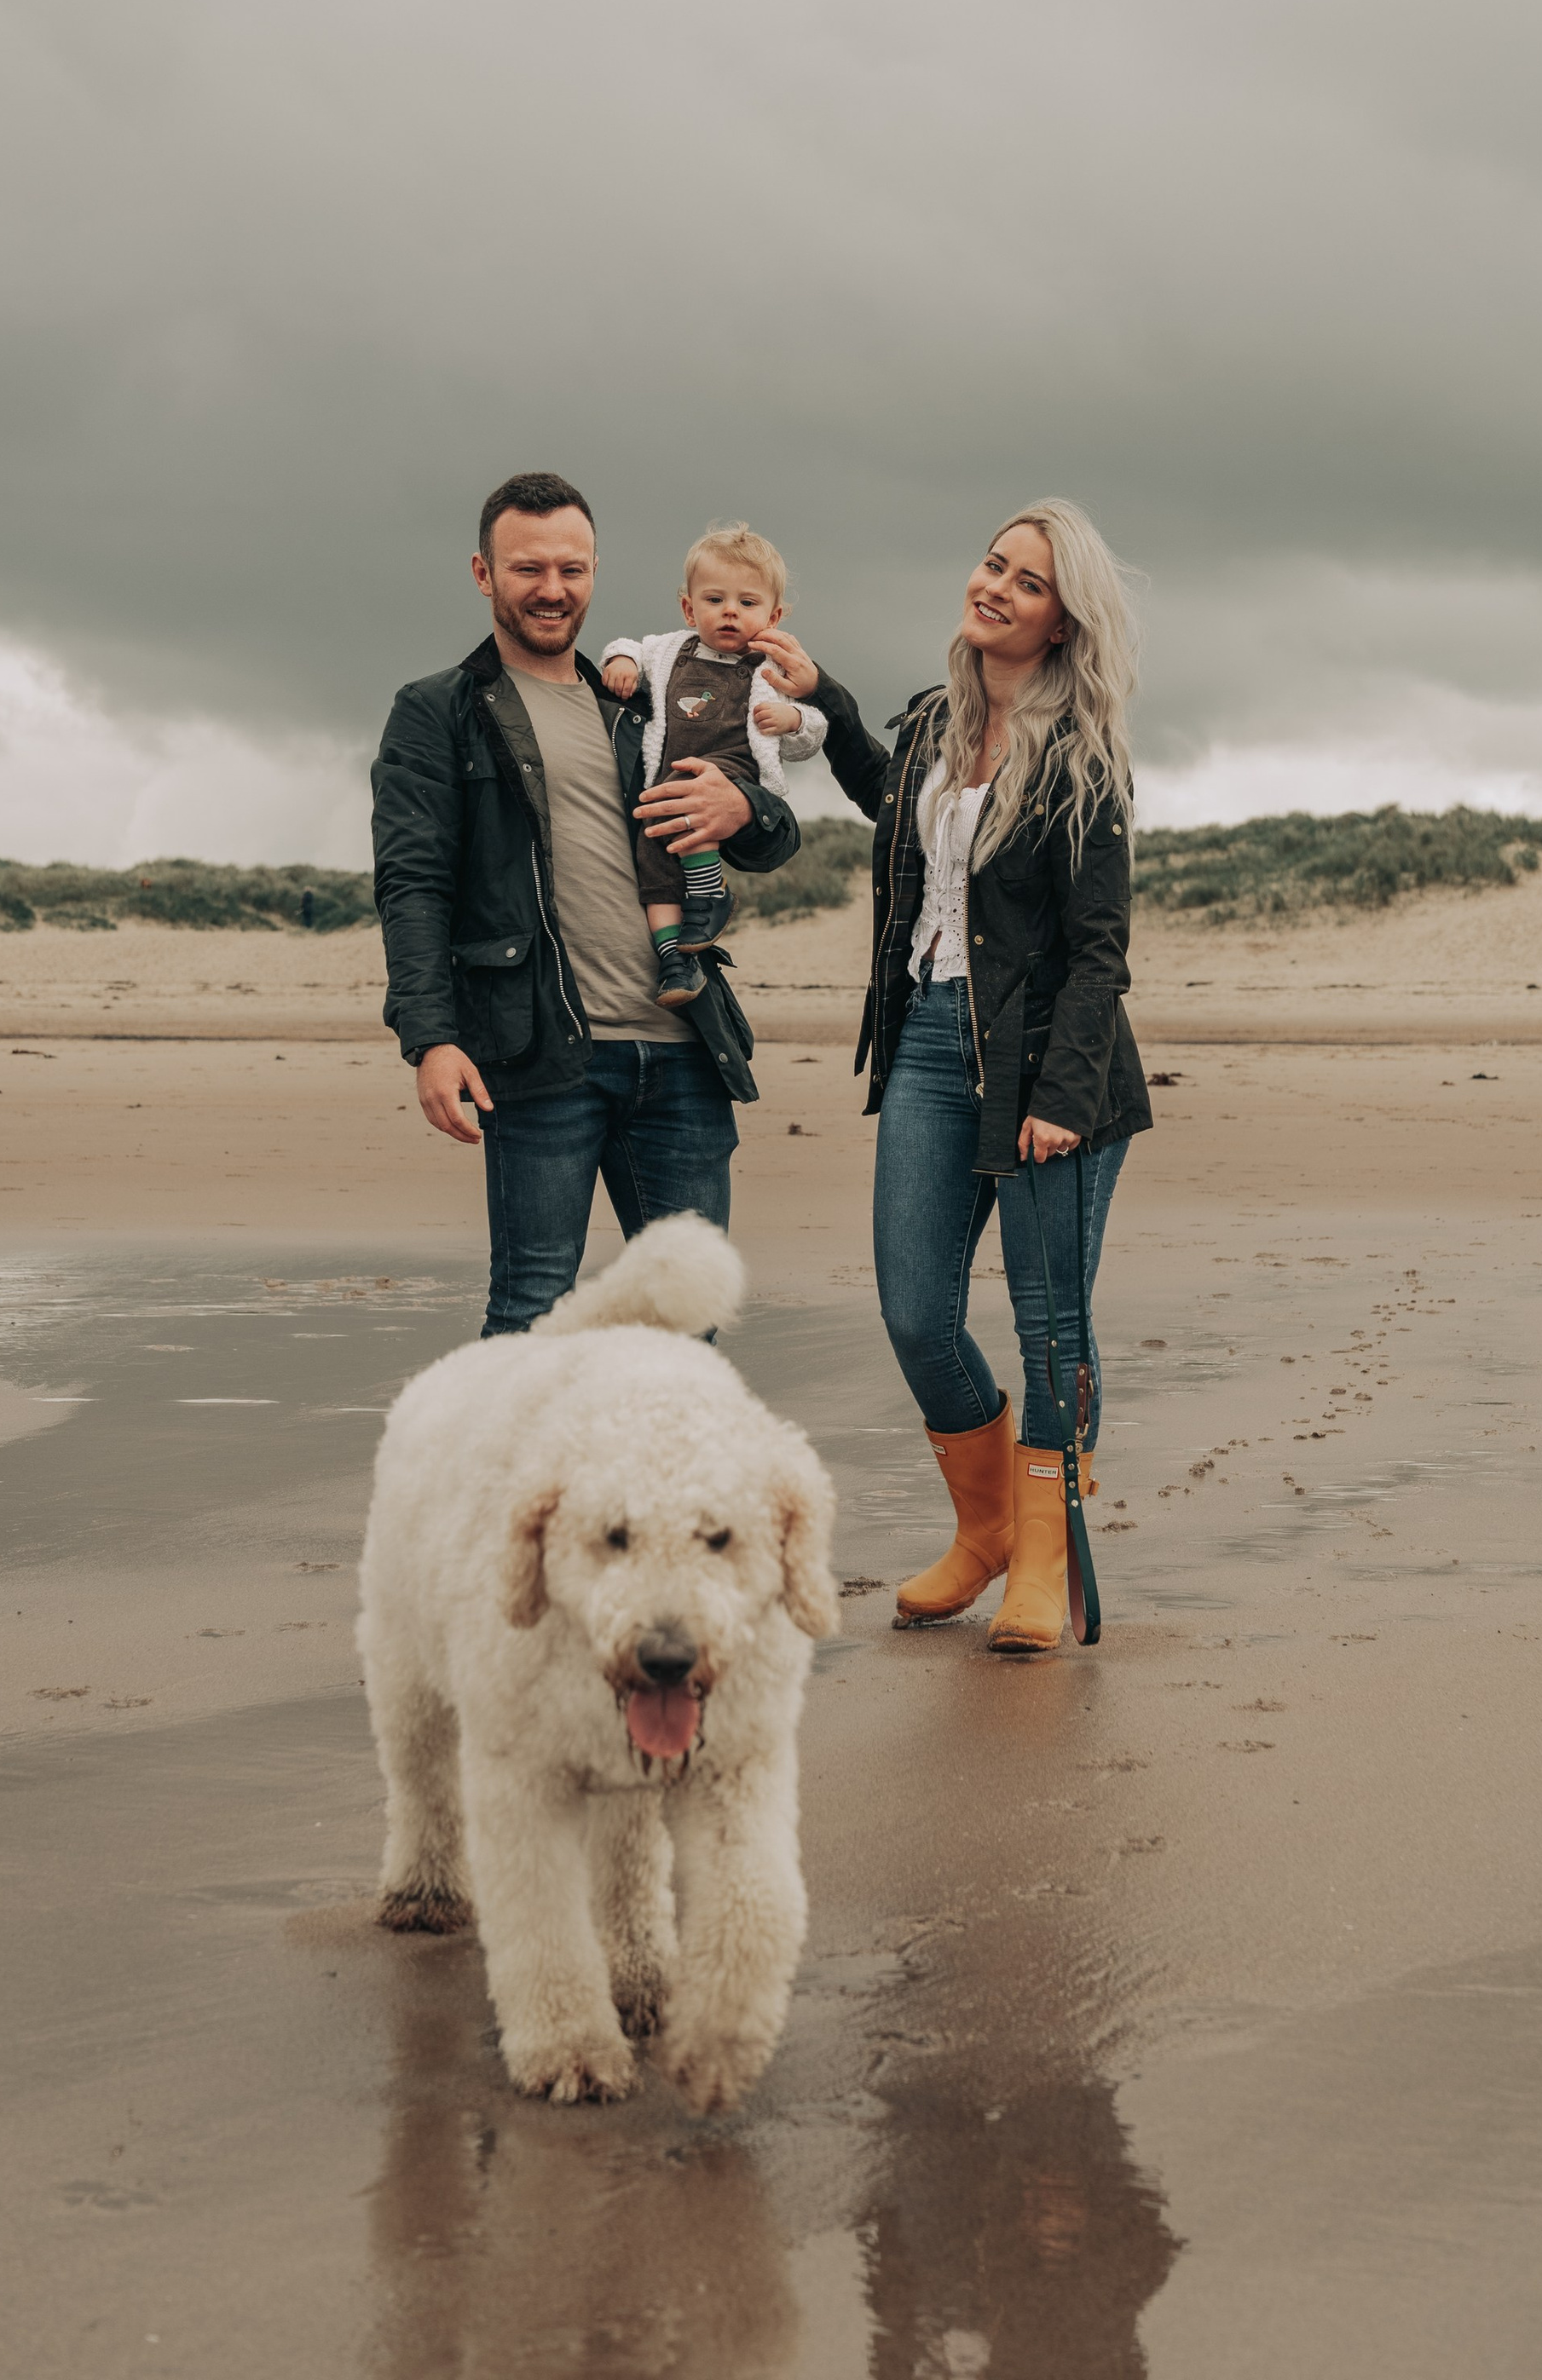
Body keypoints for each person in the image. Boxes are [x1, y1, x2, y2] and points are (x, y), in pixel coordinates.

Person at [762, 500, 1150, 1654]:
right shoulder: (938, 719)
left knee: (1048, 1332)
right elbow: (891, 806)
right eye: (993, 565)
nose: (995, 588)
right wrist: (827, 700)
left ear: (1063, 620)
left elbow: (1100, 952)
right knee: (917, 1313)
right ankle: (983, 1532)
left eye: (1025, 583)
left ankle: (1042, 1562)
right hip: (929, 1045)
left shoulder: (1083, 757)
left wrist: (1063, 1102)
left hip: (1046, 1069)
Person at [371, 473, 809, 1336]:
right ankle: (510, 1481)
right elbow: (411, 881)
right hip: (540, 1056)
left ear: (595, 571)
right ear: (482, 573)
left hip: (683, 1048)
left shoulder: (642, 701)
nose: (551, 589)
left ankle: (655, 1482)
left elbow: (771, 837)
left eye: (570, 569)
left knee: (688, 1325)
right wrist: (430, 1037)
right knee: (529, 1316)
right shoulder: (439, 712)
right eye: (527, 568)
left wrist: (744, 807)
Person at [598, 523, 828, 1006]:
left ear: (774, 614)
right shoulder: (668, 651)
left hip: (732, 772)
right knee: (652, 860)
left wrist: (790, 719)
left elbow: (813, 731)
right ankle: (674, 961)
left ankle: (707, 895)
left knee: (691, 792)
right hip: (667, 781)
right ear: (689, 607)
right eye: (714, 599)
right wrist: (619, 661)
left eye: (747, 603)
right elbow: (628, 647)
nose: (729, 612)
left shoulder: (772, 668)